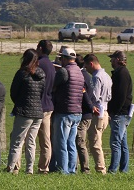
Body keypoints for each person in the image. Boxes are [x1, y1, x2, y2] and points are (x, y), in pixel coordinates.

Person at [6, 49, 46, 174]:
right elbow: (42, 92)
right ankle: (30, 169)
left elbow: (13, 92)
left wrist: (19, 103)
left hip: (24, 111)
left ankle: (11, 168)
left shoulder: (22, 73)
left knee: (17, 141)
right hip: (38, 112)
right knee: (31, 142)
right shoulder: (42, 74)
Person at [51, 46, 86, 174]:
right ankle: (72, 170)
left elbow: (53, 87)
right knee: (71, 143)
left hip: (64, 111)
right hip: (77, 111)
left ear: (65, 59)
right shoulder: (80, 72)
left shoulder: (64, 72)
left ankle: (63, 171)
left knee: (61, 143)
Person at [84, 53, 111, 174]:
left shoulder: (96, 77)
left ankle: (101, 169)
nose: (87, 70)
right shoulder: (106, 76)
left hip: (97, 112)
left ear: (91, 64)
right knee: (98, 140)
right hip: (105, 111)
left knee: (95, 142)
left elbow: (94, 96)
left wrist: (86, 98)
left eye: (87, 67)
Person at [107, 50, 133, 174]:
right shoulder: (122, 72)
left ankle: (113, 170)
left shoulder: (121, 74)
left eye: (112, 58)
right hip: (123, 113)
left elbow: (121, 96)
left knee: (115, 143)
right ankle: (124, 169)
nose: (110, 61)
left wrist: (114, 111)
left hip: (120, 113)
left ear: (117, 59)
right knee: (122, 143)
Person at [35, 39, 56, 174]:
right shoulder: (52, 65)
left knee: (25, 138)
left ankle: (18, 166)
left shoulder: (38, 64)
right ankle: (44, 168)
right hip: (49, 105)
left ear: (40, 48)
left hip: (38, 106)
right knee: (46, 140)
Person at [74, 55, 97, 173]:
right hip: (88, 114)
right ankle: (78, 167)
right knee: (80, 141)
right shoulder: (87, 75)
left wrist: (90, 107)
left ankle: (85, 169)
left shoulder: (81, 76)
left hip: (84, 114)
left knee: (80, 141)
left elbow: (85, 95)